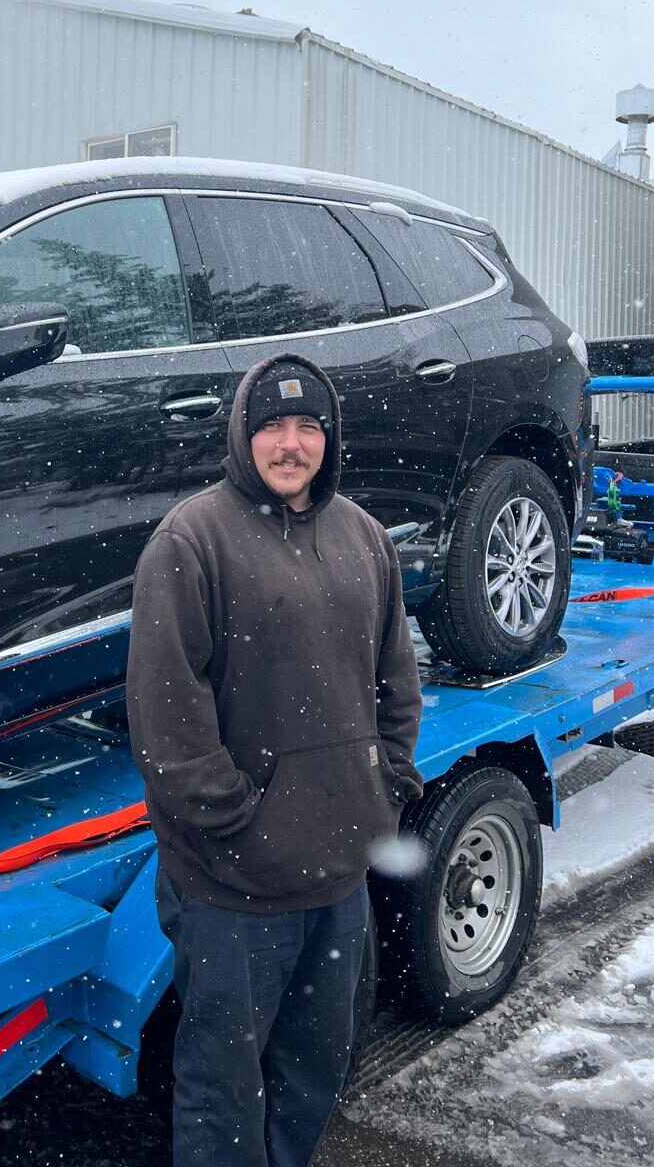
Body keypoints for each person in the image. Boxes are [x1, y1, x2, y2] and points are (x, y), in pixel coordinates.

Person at [126, 353, 424, 1167]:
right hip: (232, 887)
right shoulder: (193, 541)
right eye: (271, 427)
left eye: (308, 427)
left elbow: (396, 677)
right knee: (224, 1089)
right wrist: (235, 822)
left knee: (315, 1069)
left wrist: (385, 787)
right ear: (242, 435)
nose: (290, 444)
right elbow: (165, 714)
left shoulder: (363, 536)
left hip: (338, 876)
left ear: (329, 438)